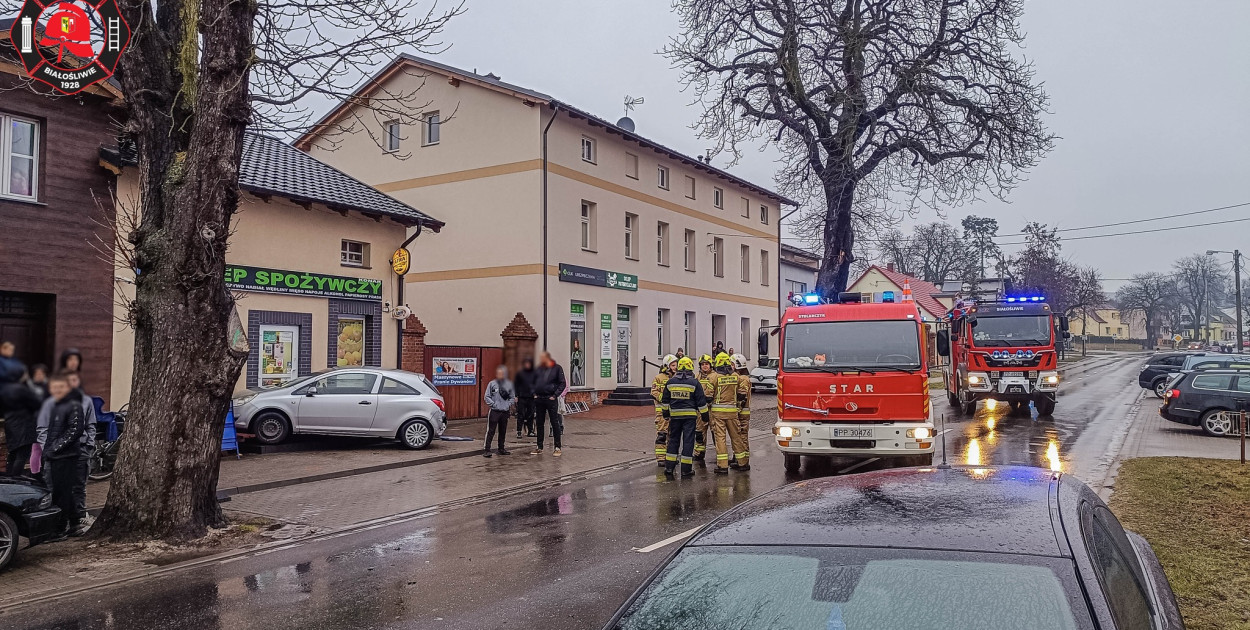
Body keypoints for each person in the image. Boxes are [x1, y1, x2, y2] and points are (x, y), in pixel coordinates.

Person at [41, 373, 87, 537]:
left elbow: (75, 430)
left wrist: (54, 448)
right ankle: (74, 523)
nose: (57, 390)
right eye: (54, 387)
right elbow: (52, 433)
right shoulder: (56, 405)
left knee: (62, 493)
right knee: (63, 491)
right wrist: (47, 452)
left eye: (60, 387)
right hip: (56, 456)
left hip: (66, 456)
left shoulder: (73, 404)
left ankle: (59, 529)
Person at [660, 357, 707, 479]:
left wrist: (665, 413)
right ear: (691, 367)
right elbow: (701, 402)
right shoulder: (694, 382)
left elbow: (665, 400)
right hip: (689, 417)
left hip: (675, 416)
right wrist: (705, 416)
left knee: (673, 441)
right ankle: (686, 470)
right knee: (688, 442)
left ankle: (669, 467)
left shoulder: (671, 382)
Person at [708, 353, 748, 474]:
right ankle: (742, 463)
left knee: (720, 438)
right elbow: (742, 394)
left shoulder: (714, 377)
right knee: (736, 437)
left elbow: (708, 396)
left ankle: (723, 466)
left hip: (718, 414)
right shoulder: (736, 376)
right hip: (732, 413)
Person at [1, 362, 42, 476]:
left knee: (12, 454)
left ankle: (9, 479)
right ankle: (15, 480)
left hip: (10, 424)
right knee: (21, 455)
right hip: (24, 425)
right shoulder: (23, 389)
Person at [531, 352, 566, 456]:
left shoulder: (557, 368)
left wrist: (555, 395)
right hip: (539, 398)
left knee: (554, 422)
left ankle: (557, 447)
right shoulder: (539, 369)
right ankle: (539, 446)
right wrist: (534, 394)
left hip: (551, 398)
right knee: (539, 423)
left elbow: (562, 383)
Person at [650, 354, 678, 466]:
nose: (675, 367)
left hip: (674, 411)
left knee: (673, 436)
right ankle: (661, 458)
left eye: (676, 365)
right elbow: (654, 392)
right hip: (662, 412)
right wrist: (664, 398)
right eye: (673, 365)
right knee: (662, 435)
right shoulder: (659, 378)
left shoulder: (677, 378)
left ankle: (671, 457)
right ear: (667, 365)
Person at [482, 365, 514, 458]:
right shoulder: (492, 384)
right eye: (499, 373)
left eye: (502, 374)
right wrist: (493, 404)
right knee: (491, 431)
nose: (501, 375)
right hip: (495, 412)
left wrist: (507, 405)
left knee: (503, 431)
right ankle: (487, 450)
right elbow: (486, 396)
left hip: (504, 412)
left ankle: (501, 448)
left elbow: (512, 397)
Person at [729, 353, 752, 471]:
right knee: (737, 435)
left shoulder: (743, 379)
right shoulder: (740, 377)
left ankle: (744, 461)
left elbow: (741, 397)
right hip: (741, 412)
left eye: (732, 364)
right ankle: (738, 457)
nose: (730, 366)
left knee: (742, 436)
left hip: (742, 413)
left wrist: (737, 410)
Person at [693, 354, 715, 464]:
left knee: (715, 432)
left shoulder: (715, 376)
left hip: (713, 409)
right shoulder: (697, 377)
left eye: (707, 364)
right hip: (701, 409)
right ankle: (699, 454)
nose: (705, 366)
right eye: (702, 364)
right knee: (700, 432)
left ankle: (720, 453)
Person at [515, 357, 537, 439]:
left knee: (530, 415)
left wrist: (535, 394)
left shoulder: (534, 374)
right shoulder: (520, 373)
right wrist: (516, 395)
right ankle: (519, 431)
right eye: (526, 364)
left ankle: (530, 431)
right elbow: (516, 385)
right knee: (521, 415)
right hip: (522, 397)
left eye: (529, 364)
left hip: (531, 397)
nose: (527, 365)